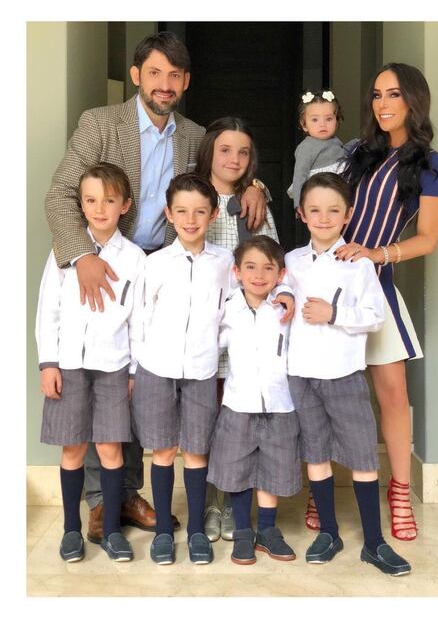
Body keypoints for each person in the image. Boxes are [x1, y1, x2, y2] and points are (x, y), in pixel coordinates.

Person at [44, 31, 269, 543]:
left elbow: (224, 173)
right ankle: (103, 501)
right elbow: (59, 195)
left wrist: (255, 185)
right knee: (106, 376)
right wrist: (84, 256)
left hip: (167, 265)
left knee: (139, 386)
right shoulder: (100, 124)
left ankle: (127, 493)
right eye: (155, 73)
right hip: (109, 261)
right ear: (136, 75)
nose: (164, 84)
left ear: (185, 82)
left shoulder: (193, 135)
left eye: (174, 75)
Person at [335, 62, 438, 541]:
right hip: (329, 284)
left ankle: (399, 492)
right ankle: (323, 491)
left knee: (393, 395)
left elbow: (428, 239)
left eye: (394, 94)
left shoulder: (430, 164)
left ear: (414, 100)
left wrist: (376, 253)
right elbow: (316, 195)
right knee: (330, 392)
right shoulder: (356, 152)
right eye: (377, 94)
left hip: (376, 284)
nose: (382, 104)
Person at [286, 172, 411, 576]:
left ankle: (374, 542)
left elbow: (375, 317)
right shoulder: (292, 261)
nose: (323, 218)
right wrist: (284, 296)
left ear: (348, 215)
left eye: (333, 210)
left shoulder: (359, 264)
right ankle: (330, 533)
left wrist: (333, 313)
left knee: (361, 454)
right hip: (302, 373)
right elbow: (280, 293)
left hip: (343, 373)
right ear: (302, 214)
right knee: (316, 453)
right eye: (315, 210)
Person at [36, 163, 145, 562]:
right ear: (81, 205)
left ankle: (112, 531)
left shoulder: (135, 258)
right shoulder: (64, 252)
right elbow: (48, 310)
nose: (100, 209)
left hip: (114, 366)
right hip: (69, 365)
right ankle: (71, 530)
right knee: (73, 449)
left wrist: (133, 370)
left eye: (109, 200)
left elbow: (138, 321)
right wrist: (48, 363)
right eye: (91, 200)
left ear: (124, 205)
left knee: (111, 449)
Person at [131, 173, 235, 565]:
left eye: (200, 212)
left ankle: (195, 532)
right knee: (162, 450)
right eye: (182, 211)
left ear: (213, 215)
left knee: (196, 450)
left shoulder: (224, 262)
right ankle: (163, 532)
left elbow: (232, 311)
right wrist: (138, 365)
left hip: (202, 370)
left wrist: (215, 345)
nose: (191, 220)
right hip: (157, 368)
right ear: (169, 214)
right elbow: (140, 317)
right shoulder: (155, 263)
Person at [195, 116, 280, 541]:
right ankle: (212, 501)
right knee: (210, 421)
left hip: (248, 333)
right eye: (225, 150)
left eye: (243, 152)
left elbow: (273, 261)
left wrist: (258, 187)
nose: (234, 159)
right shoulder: (195, 200)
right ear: (209, 151)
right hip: (207, 329)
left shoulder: (256, 203)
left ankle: (234, 501)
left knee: (241, 424)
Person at [207, 235, 300, 565]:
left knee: (273, 468)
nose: (259, 275)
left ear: (280, 274)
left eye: (268, 268)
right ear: (237, 272)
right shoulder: (228, 307)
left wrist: (287, 293)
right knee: (238, 468)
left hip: (280, 403)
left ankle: (268, 530)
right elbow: (212, 342)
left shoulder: (285, 308)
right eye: (250, 267)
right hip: (239, 402)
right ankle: (243, 531)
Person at [288, 89, 347, 211]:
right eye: (315, 120)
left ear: (336, 122)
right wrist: (299, 204)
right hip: (318, 192)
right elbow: (299, 175)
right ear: (304, 125)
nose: (322, 124)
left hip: (338, 191)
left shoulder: (336, 142)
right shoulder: (306, 147)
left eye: (329, 119)